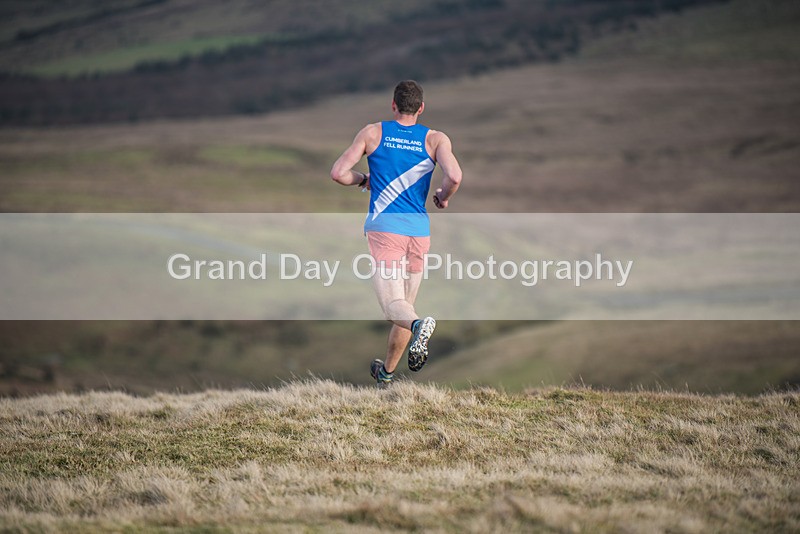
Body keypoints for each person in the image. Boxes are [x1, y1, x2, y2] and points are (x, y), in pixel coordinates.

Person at [330, 80, 463, 388]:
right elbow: (454, 175)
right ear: (421, 108)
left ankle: (420, 325)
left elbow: (338, 173)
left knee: (394, 307)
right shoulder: (435, 139)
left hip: (385, 229)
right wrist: (444, 196)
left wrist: (364, 178)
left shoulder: (372, 133)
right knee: (404, 305)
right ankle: (387, 374)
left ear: (393, 105)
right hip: (419, 232)